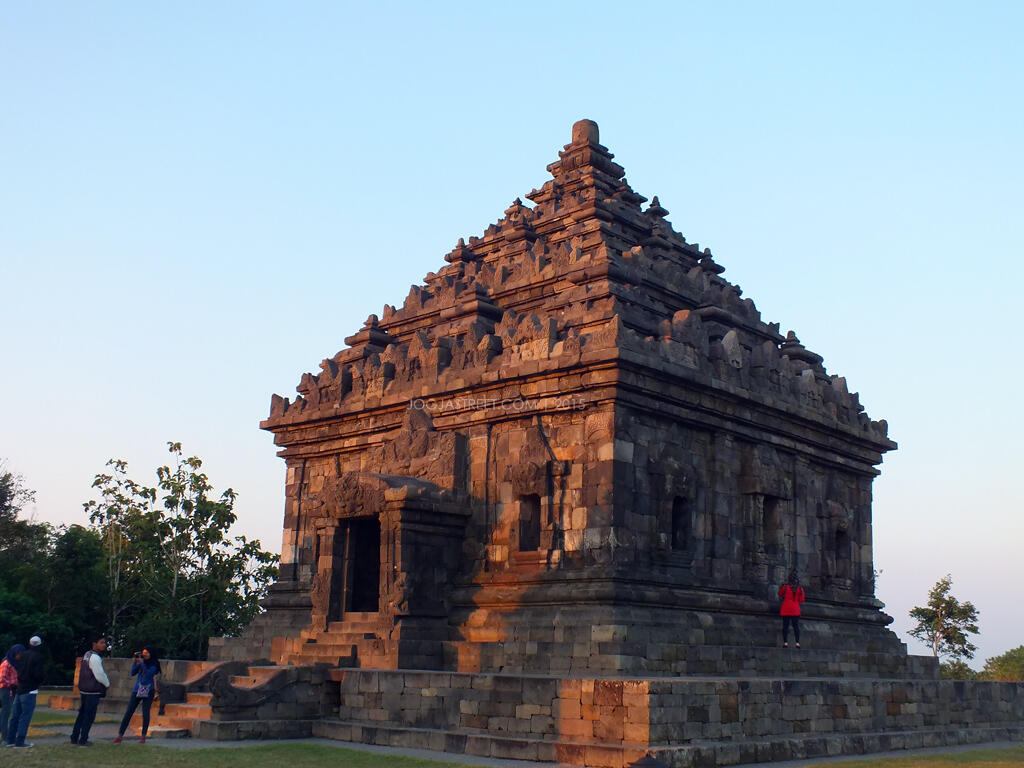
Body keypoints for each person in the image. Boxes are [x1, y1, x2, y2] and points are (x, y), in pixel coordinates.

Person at [113, 648, 161, 744]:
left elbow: (148, 674)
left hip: (149, 690)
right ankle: (120, 735)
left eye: (147, 653)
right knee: (129, 711)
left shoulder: (154, 664)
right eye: (143, 653)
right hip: (137, 689)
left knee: (145, 713)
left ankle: (143, 736)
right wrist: (135, 662)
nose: (144, 655)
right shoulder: (141, 663)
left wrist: (141, 663)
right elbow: (132, 673)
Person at [70, 635, 109, 746]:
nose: (104, 645)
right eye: (101, 643)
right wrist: (107, 683)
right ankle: (83, 739)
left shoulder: (87, 655)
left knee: (82, 714)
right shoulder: (95, 657)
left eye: (104, 643)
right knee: (89, 716)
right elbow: (99, 674)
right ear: (94, 644)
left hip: (85, 689)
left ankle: (74, 737)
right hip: (93, 690)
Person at [4, 636, 43, 748]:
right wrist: (40, 681)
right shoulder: (38, 657)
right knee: (25, 716)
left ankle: (10, 740)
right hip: (30, 690)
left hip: (20, 688)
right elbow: (38, 674)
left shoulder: (23, 655)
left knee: (15, 716)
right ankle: (20, 740)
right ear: (39, 645)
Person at [0, 644, 24, 746]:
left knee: (6, 714)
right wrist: (13, 683)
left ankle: (6, 736)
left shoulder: (15, 663)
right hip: (5, 690)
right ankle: (5, 738)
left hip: (11, 690)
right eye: (19, 654)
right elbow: (1, 678)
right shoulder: (6, 663)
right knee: (5, 714)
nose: (20, 656)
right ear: (15, 653)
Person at [778, 571, 806, 648]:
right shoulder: (800, 588)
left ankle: (785, 642)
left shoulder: (785, 587)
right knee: (796, 626)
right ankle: (797, 642)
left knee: (785, 626)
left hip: (786, 608)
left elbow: (780, 594)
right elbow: (802, 599)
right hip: (795, 609)